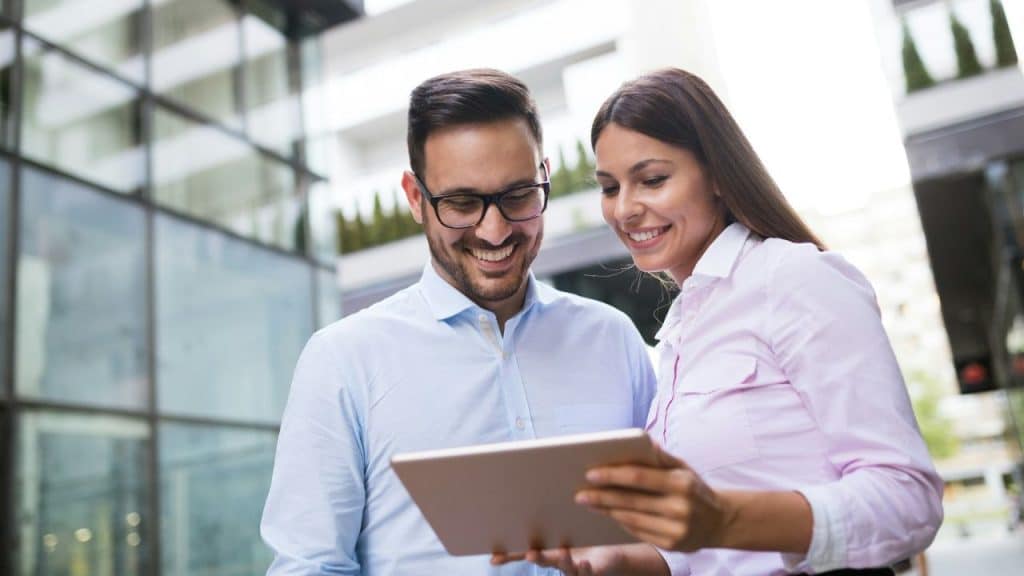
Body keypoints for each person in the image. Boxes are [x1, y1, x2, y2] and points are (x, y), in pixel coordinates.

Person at [495, 68, 944, 575]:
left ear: (716, 173)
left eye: (653, 180)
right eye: (609, 187)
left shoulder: (794, 279)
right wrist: (614, 561)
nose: (624, 209)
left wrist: (725, 518)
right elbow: (707, 556)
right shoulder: (685, 328)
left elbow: (909, 498)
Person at [259, 68, 657, 575]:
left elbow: (670, 538)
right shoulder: (343, 360)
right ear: (414, 196)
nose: (495, 231)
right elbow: (309, 566)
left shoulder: (612, 337)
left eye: (517, 196)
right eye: (462, 204)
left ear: (545, 177)